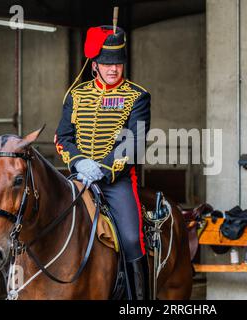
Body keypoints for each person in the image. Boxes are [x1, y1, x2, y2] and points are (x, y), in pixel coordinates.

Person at [54, 24, 151, 300]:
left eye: (118, 63)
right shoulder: (77, 95)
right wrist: (78, 162)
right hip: (79, 177)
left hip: (115, 182)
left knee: (133, 239)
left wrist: (103, 169)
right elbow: (63, 137)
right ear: (94, 64)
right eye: (107, 63)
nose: (113, 69)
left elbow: (134, 143)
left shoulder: (137, 96)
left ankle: (138, 301)